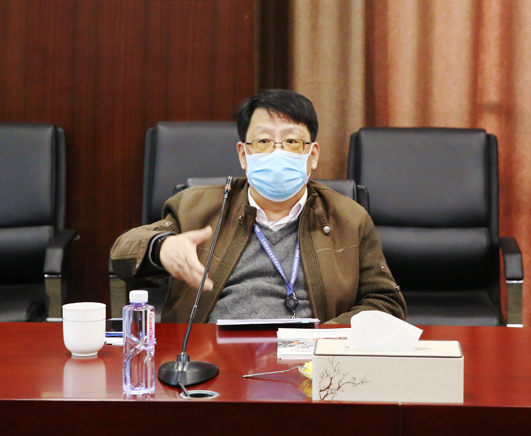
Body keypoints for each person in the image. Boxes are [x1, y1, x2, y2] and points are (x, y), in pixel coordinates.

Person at [110, 89, 406, 324]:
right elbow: (122, 255)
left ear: (313, 155)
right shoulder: (195, 206)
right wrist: (160, 248)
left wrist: (326, 337)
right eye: (263, 141)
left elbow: (385, 303)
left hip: (310, 362)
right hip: (213, 356)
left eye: (291, 142)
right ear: (243, 154)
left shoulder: (349, 217)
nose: (278, 152)